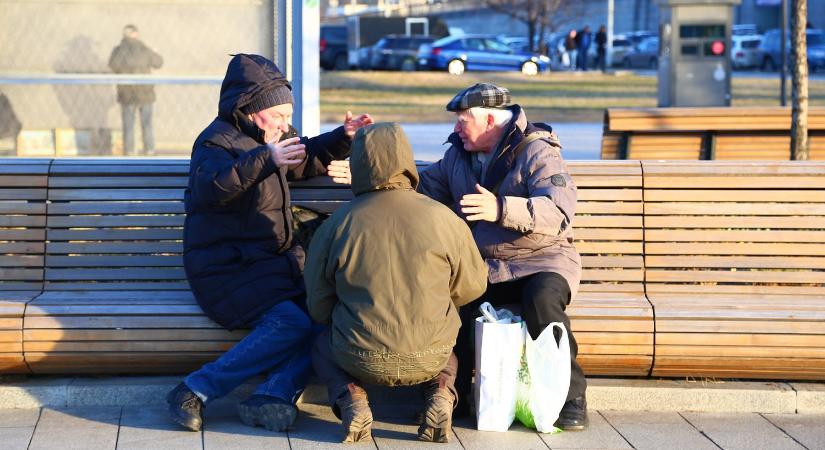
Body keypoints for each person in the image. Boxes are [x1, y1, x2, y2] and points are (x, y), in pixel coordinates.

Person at [166, 53, 373, 433]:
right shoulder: (214, 143)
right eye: (277, 115)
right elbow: (211, 189)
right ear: (248, 109)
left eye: (286, 115)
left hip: (268, 264)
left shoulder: (269, 138)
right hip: (225, 266)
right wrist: (266, 157)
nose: (285, 124)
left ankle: (272, 394)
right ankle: (194, 389)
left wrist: (341, 138)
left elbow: (302, 158)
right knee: (292, 322)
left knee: (324, 320)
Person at [416, 83, 589, 431]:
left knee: (542, 302)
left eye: (462, 121)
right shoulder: (457, 157)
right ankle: (454, 396)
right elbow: (423, 185)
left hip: (543, 260)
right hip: (487, 267)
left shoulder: (539, 152)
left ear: (490, 120)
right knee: (454, 302)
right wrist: (368, 173)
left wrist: (499, 208)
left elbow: (558, 212)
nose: (455, 129)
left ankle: (572, 397)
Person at [306, 123, 487, 443]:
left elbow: (319, 305)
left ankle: (353, 400)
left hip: (357, 355)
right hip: (431, 354)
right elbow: (472, 287)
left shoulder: (338, 224)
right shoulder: (444, 218)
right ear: (406, 159)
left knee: (321, 343)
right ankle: (441, 394)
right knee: (450, 336)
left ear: (358, 163)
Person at [109, 24, 163, 156]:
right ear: (136, 34)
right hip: (145, 93)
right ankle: (149, 151)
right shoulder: (144, 49)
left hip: (126, 93)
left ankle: (129, 152)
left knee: (128, 126)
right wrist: (156, 52)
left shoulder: (118, 50)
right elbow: (158, 63)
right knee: (147, 124)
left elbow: (113, 65)